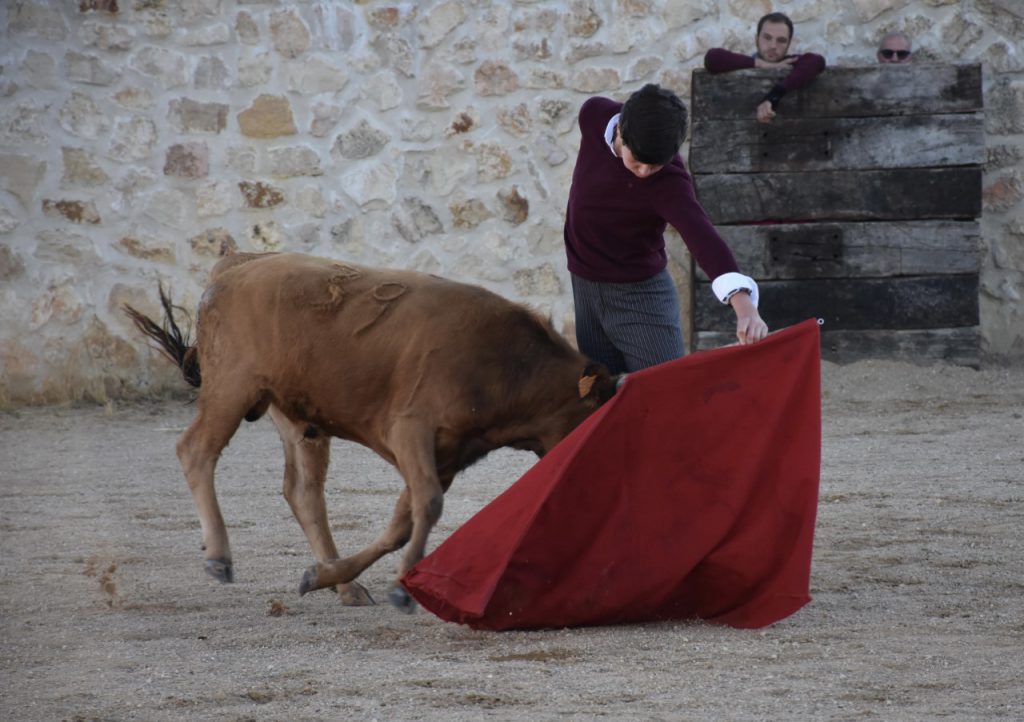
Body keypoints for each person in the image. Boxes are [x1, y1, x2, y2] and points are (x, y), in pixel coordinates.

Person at [563, 83, 768, 375]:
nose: (645, 172)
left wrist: (743, 303)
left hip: (639, 295)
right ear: (621, 130)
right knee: (601, 391)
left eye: (655, 165)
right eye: (638, 161)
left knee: (667, 387)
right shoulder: (594, 116)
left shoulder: (669, 182)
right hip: (584, 286)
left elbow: (701, 236)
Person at [704, 12, 826, 124]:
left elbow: (817, 61)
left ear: (789, 44)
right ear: (756, 39)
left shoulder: (791, 64)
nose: (773, 46)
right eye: (767, 38)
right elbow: (713, 57)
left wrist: (773, 97)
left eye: (781, 40)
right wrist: (763, 64)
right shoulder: (744, 63)